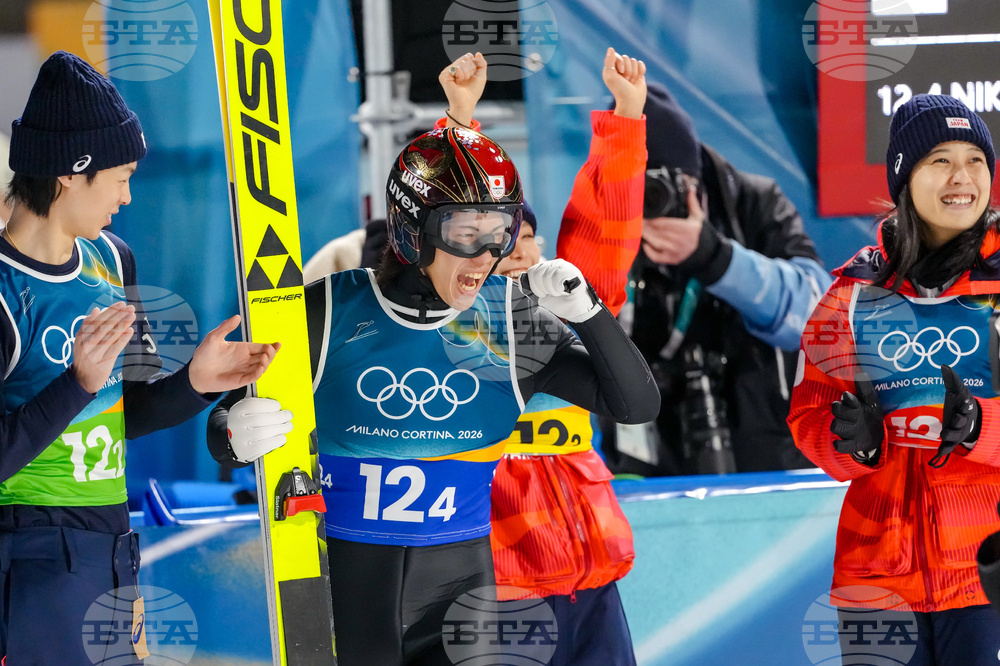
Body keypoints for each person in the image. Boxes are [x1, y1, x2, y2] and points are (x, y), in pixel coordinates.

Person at [207, 127, 660, 664]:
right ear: (411, 230)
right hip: (346, 589)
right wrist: (232, 433)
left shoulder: (513, 322)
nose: (487, 255)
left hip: (465, 599)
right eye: (465, 233)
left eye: (500, 232)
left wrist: (588, 315)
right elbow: (225, 427)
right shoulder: (328, 309)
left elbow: (636, 406)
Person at [0, 52, 280, 664]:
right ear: (71, 172)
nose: (128, 196)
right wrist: (74, 386)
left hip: (110, 545)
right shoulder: (5, 288)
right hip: (27, 554)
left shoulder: (112, 259)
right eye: (120, 175)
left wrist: (195, 384)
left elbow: (123, 413)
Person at [438, 48, 647, 665]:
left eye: (530, 238)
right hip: (496, 583)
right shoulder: (447, 321)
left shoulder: (566, 305)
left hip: (592, 570)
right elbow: (453, 209)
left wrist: (627, 115)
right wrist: (461, 119)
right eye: (507, 243)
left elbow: (605, 223)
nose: (525, 253)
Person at [788, 93, 1000, 663]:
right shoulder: (850, 295)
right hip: (875, 579)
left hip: (986, 576)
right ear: (905, 177)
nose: (963, 177)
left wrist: (980, 426)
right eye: (940, 160)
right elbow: (809, 414)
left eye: (975, 159)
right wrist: (849, 442)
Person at [600, 81, 832, 477]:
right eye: (642, 191)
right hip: (653, 465)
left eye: (665, 188)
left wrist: (716, 257)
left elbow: (820, 317)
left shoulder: (753, 204)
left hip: (771, 457)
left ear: (695, 180)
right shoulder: (606, 221)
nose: (654, 206)